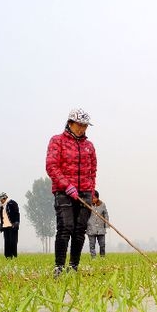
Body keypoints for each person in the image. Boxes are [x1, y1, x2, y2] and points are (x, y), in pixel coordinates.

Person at [46, 108, 97, 275]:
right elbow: (52, 166)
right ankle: (59, 267)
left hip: (85, 193)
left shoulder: (89, 146)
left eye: (85, 126)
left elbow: (93, 171)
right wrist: (67, 185)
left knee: (80, 229)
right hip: (63, 192)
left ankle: (73, 266)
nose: (82, 128)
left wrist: (90, 190)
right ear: (70, 123)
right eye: (79, 125)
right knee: (65, 227)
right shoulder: (57, 141)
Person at [86, 190, 108, 258]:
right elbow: (85, 215)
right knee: (92, 245)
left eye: (95, 198)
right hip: (91, 228)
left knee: (102, 244)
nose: (93, 200)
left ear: (97, 198)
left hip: (101, 229)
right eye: (92, 198)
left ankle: (102, 257)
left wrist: (106, 224)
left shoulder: (102, 204)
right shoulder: (88, 205)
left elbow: (106, 214)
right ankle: (93, 258)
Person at [0, 192, 20, 258]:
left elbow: (17, 213)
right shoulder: (1, 206)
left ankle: (14, 255)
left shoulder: (12, 203)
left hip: (12, 225)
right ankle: (7, 256)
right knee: (7, 242)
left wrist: (17, 222)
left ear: (4, 198)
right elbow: (2, 216)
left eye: (1, 199)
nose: (0, 201)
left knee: (12, 242)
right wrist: (1, 225)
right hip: (5, 226)